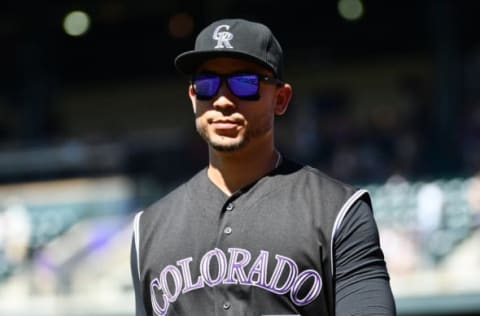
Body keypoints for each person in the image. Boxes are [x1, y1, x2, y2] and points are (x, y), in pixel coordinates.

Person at [130, 18, 396, 316]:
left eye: (245, 83)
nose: (222, 100)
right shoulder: (148, 228)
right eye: (207, 84)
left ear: (280, 99)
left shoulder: (338, 211)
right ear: (193, 97)